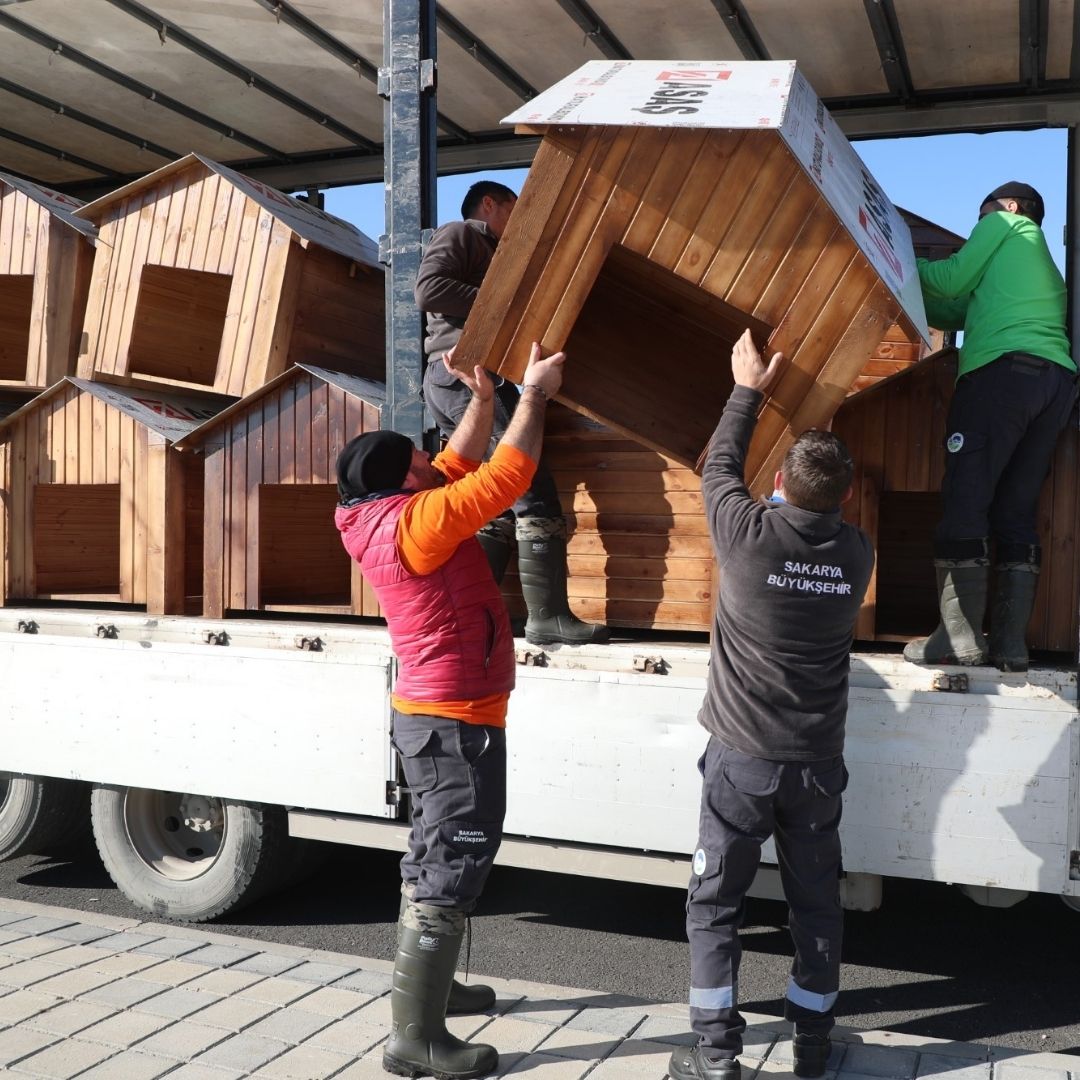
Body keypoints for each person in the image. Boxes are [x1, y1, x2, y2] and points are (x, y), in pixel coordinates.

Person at [335, 342, 566, 1080]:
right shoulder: (418, 525)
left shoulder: (382, 509)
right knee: (452, 857)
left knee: (440, 852)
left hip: (442, 712)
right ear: (403, 477)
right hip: (452, 718)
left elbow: (459, 467)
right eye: (419, 458)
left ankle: (434, 993)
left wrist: (483, 400)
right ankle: (417, 1038)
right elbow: (504, 476)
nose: (432, 459)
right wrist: (532, 398)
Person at [669, 330, 874, 1080]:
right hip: (815, 767)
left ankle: (717, 1058)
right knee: (816, 908)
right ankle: (812, 1049)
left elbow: (718, 465)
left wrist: (747, 387)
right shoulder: (856, 555)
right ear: (847, 498)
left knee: (715, 906)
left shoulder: (749, 536)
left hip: (741, 765)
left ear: (781, 481)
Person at [415, 179, 608, 646]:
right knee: (527, 482)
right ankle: (548, 619)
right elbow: (429, 290)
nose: (518, 221)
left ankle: (469, 615)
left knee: (490, 503)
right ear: (489, 204)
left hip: (458, 378)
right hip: (466, 375)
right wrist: (502, 299)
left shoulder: (491, 249)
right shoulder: (462, 233)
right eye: (513, 209)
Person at [904, 181, 1078, 672]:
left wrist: (901, 262)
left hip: (1000, 375)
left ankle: (957, 640)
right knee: (1015, 512)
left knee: (966, 498)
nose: (976, 229)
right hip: (1054, 383)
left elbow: (953, 279)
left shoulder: (1004, 223)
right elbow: (954, 307)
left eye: (978, 219)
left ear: (1008, 206)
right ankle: (1009, 645)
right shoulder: (1030, 262)